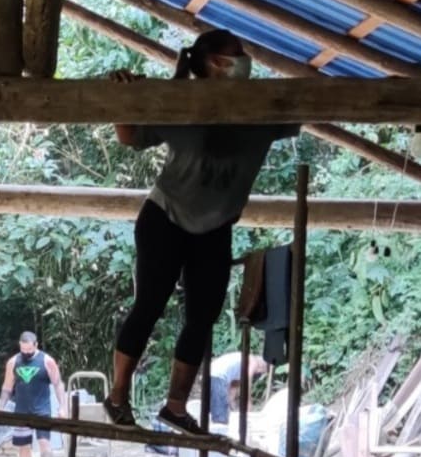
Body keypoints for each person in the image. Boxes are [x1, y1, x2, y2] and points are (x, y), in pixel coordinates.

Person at [101, 30, 298, 435]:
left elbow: (315, 104)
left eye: (243, 53)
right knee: (149, 304)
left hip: (216, 226)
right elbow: (129, 136)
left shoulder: (262, 108)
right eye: (235, 55)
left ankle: (175, 407)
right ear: (212, 64)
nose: (244, 61)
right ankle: (117, 396)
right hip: (165, 216)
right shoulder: (182, 102)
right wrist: (122, 97)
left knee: (202, 318)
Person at [0, 331, 67, 457]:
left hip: (41, 410)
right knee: (23, 447)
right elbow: (7, 387)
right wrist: (1, 407)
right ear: (20, 345)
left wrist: (62, 407)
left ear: (36, 345)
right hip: (21, 410)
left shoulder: (47, 361)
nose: (26, 353)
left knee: (44, 443)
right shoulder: (13, 362)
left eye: (29, 350)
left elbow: (58, 384)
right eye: (23, 349)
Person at [205, 350, 268, 427]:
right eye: (260, 372)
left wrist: (233, 408)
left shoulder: (240, 366)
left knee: (215, 412)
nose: (257, 373)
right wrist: (248, 403)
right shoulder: (254, 361)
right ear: (262, 367)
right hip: (218, 376)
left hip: (211, 374)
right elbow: (246, 384)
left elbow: (232, 391)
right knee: (220, 419)